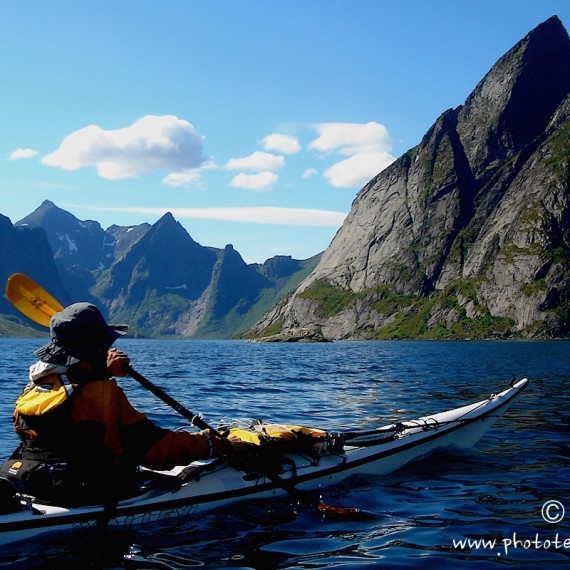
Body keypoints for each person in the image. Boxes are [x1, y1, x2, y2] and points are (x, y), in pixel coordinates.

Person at [1, 302, 238, 506]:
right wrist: (216, 445)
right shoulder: (101, 393)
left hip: (36, 481)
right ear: (95, 351)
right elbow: (155, 450)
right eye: (104, 347)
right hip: (86, 491)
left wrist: (102, 372)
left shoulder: (36, 386)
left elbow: (72, 400)